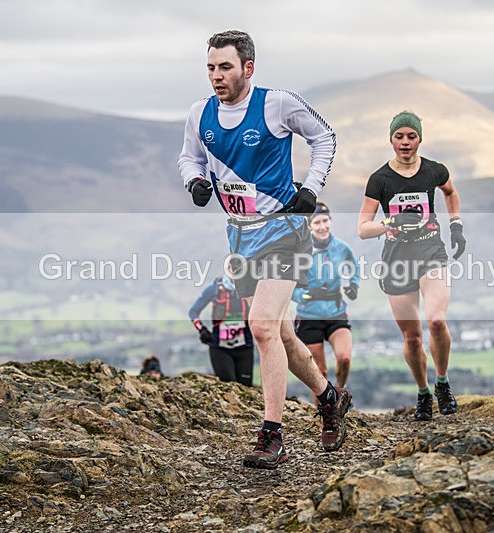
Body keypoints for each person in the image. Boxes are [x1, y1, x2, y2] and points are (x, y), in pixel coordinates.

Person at [178, 30, 351, 469]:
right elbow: (189, 157)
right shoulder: (200, 114)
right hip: (240, 236)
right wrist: (195, 181)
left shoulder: (276, 104)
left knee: (259, 327)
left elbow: (325, 138)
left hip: (284, 230)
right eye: (211, 68)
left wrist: (310, 188)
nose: (217, 76)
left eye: (226, 68)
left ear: (248, 68)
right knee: (283, 334)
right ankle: (329, 398)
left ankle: (272, 435)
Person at [357, 110, 465, 421]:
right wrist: (390, 222)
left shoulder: (433, 171)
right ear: (390, 139)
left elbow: (451, 192)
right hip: (397, 259)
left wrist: (455, 226)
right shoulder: (380, 179)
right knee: (412, 337)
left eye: (411, 136)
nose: (405, 142)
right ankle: (422, 393)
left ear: (420, 138)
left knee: (436, 321)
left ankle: (442, 382)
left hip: (431, 250)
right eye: (399, 136)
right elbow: (363, 228)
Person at [293, 202, 360, 402]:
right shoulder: (301, 251)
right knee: (319, 372)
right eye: (317, 222)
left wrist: (353, 286)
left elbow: (354, 269)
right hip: (308, 316)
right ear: (310, 226)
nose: (322, 226)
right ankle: (325, 412)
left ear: (330, 221)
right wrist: (303, 296)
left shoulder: (341, 248)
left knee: (345, 359)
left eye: (325, 221)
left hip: (336, 312)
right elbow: (288, 283)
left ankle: (341, 394)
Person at [189, 275, 254, 386]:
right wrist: (202, 329)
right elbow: (193, 312)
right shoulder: (214, 289)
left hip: (245, 349)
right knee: (229, 387)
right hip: (220, 350)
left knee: (246, 389)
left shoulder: (251, 289)